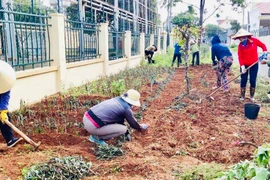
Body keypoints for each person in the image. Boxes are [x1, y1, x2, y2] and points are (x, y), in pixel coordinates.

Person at [82, 89, 149, 146]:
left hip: (86, 117)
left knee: (117, 125)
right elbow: (133, 124)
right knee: (123, 129)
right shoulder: (126, 109)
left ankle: (96, 134)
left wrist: (127, 134)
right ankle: (97, 138)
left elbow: (120, 120)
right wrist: (140, 127)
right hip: (92, 125)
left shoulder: (117, 100)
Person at [232, 28, 268, 101]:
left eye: (241, 38)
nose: (240, 40)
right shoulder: (240, 45)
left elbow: (263, 45)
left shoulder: (254, 41)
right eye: (239, 39)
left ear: (245, 36)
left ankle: (252, 96)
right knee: (243, 79)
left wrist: (265, 52)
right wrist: (242, 66)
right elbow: (240, 56)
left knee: (252, 80)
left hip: (254, 64)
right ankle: (242, 96)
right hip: (244, 65)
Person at [0, 60, 23, 148]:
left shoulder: (6, 81)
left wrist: (3, 110)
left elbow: (5, 96)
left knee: (5, 117)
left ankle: (10, 140)